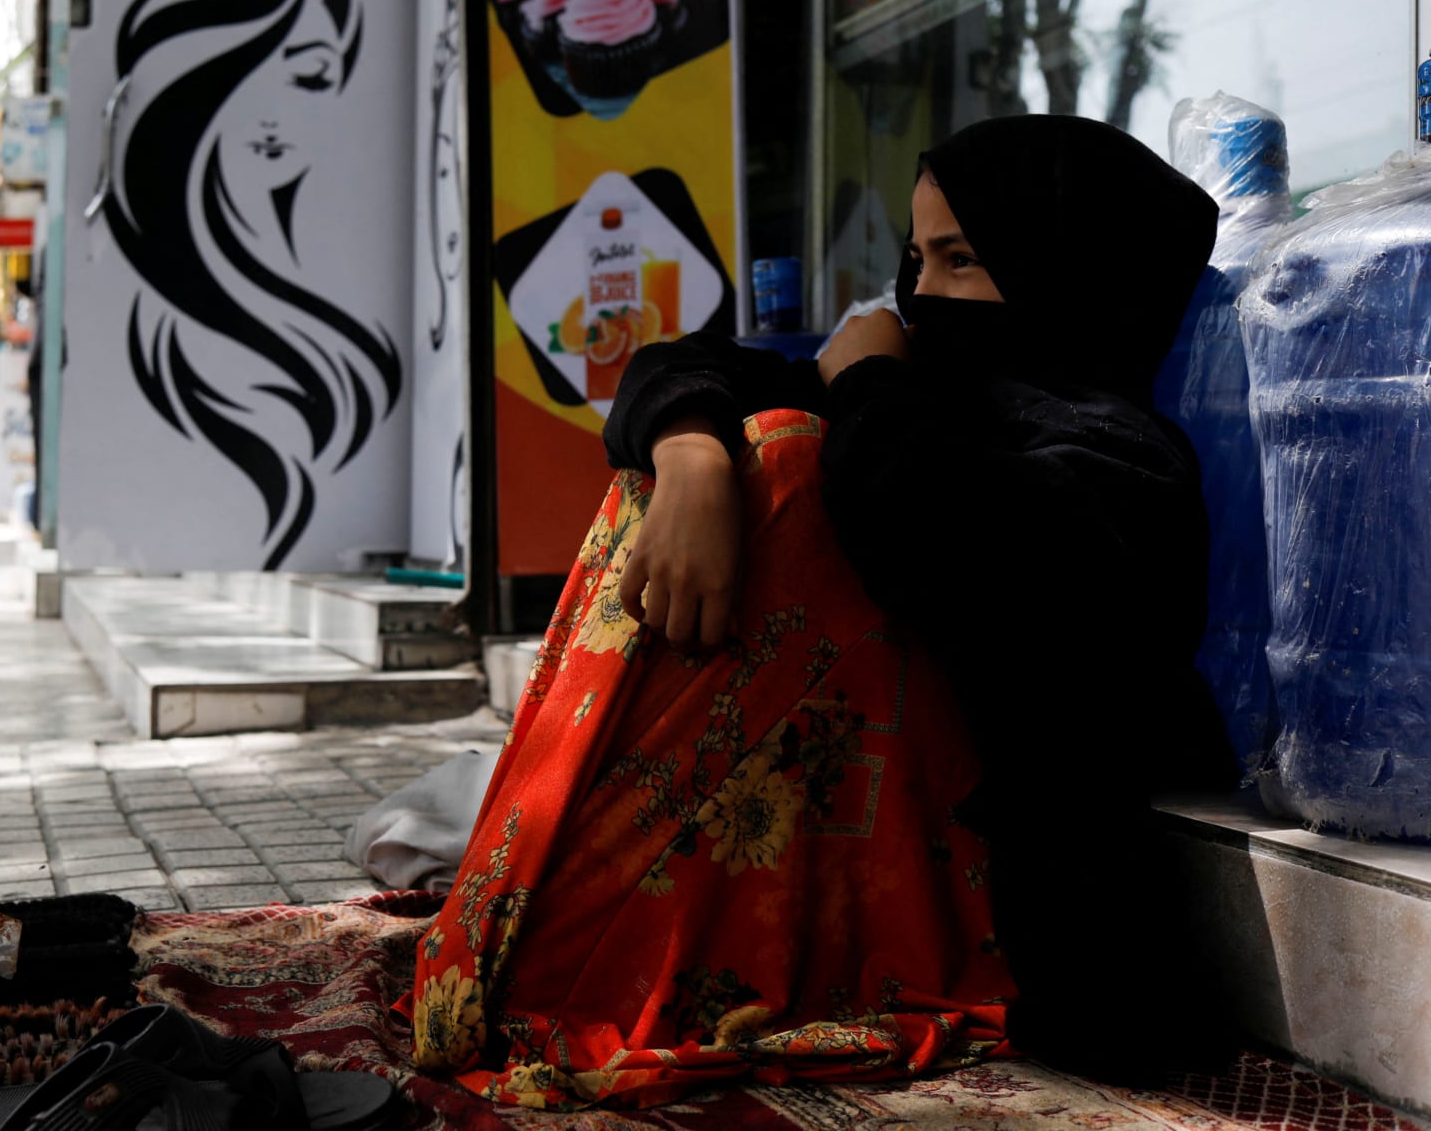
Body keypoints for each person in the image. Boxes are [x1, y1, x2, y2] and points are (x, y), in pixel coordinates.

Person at [409, 116, 1236, 1109]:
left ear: (1058, 264)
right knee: (737, 445)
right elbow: (673, 370)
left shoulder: (1123, 462)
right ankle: (564, 914)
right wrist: (693, 458)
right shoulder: (933, 391)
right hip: (855, 856)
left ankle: (592, 947)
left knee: (796, 459)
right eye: (917, 256)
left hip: (1013, 906)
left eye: (962, 260)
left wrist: (866, 384)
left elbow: (956, 545)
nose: (920, 294)